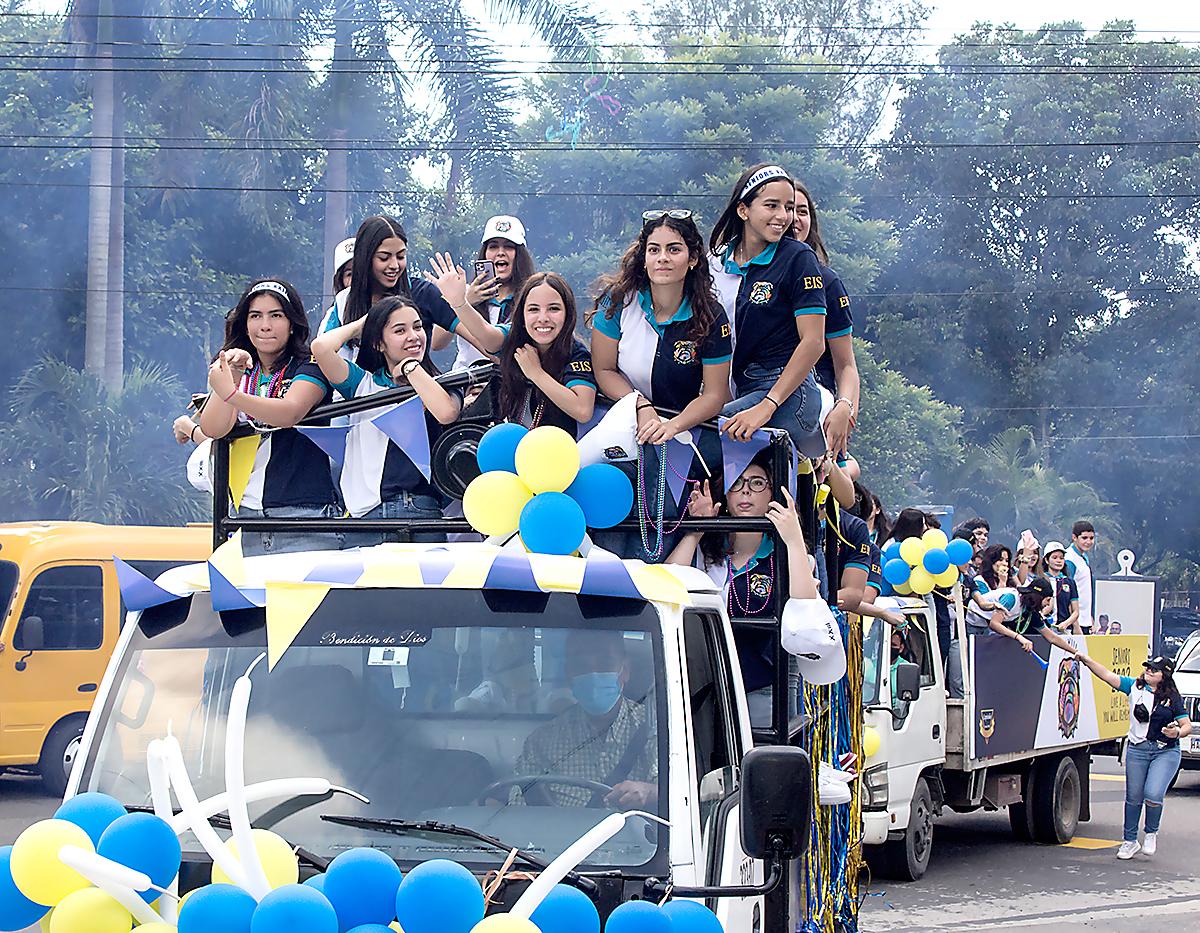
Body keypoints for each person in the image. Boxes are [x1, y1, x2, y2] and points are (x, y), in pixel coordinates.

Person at [666, 459, 821, 724]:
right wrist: (696, 530)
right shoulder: (707, 549)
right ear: (725, 494)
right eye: (736, 483)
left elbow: (806, 609)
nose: (746, 491)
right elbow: (667, 586)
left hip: (762, 686)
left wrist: (794, 539)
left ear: (773, 493)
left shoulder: (788, 554)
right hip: (700, 683)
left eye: (757, 483)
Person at [197, 279, 340, 555]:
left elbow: (290, 412)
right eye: (255, 316)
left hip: (304, 520)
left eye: (276, 315)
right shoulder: (237, 368)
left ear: (292, 322)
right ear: (244, 323)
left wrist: (232, 395)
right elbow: (214, 428)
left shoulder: (309, 363)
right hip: (247, 519)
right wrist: (233, 375)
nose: (265, 325)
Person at [311, 296, 463, 537]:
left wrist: (410, 367)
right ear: (378, 343)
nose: (413, 336)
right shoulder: (362, 384)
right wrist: (364, 323)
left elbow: (446, 412)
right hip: (367, 516)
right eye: (399, 330)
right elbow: (321, 348)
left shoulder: (443, 383)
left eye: (418, 326)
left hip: (421, 511)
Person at [708, 163, 828, 457]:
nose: (783, 217)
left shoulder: (798, 257)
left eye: (788, 207)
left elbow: (814, 342)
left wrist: (766, 406)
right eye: (771, 205)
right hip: (742, 388)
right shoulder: (717, 261)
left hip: (789, 394)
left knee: (704, 443)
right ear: (743, 210)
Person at [592, 209, 732, 443]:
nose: (663, 257)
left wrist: (672, 427)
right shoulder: (618, 301)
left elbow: (714, 395)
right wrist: (639, 405)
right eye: (654, 249)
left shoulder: (712, 316)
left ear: (693, 259)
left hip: (682, 433)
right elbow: (604, 370)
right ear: (644, 258)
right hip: (618, 423)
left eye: (674, 249)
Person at [425, 263, 597, 435]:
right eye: (533, 309)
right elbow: (486, 334)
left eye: (554, 309)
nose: (543, 318)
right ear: (521, 315)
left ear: (568, 313)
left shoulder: (576, 353)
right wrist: (459, 303)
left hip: (560, 447)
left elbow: (582, 410)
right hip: (513, 444)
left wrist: (535, 373)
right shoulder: (514, 339)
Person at [511, 629, 658, 809]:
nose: (593, 674)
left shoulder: (654, 728)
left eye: (605, 663)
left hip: (638, 837)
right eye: (581, 666)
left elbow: (680, 796)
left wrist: (648, 792)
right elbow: (517, 809)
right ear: (568, 675)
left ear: (625, 671)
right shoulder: (541, 742)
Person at [1075, 651, 1192, 859]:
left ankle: (1151, 833)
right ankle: (1129, 841)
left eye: (1154, 670)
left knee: (1153, 793)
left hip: (1164, 751)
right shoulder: (1134, 687)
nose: (1148, 671)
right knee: (1133, 797)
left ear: (1164, 675)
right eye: (1147, 667)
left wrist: (1176, 732)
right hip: (1138, 749)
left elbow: (1186, 726)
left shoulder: (1172, 697)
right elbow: (1107, 675)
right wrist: (1087, 661)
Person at [319, 215, 469, 364]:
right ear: (365, 258)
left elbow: (481, 339)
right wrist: (360, 326)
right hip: (368, 387)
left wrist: (461, 303)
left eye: (401, 256)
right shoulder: (344, 301)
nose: (394, 265)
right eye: (384, 258)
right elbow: (320, 353)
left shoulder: (423, 292)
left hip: (419, 386)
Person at [790, 181, 859, 460]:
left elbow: (846, 365)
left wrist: (845, 409)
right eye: (785, 208)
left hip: (817, 414)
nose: (794, 218)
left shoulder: (827, 282)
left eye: (802, 211)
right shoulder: (741, 278)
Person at [435, 215, 536, 372]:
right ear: (484, 253)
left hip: (512, 384)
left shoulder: (531, 300)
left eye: (509, 247)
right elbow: (437, 343)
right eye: (493, 246)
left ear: (520, 255)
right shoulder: (463, 293)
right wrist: (465, 301)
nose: (500, 253)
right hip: (466, 385)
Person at [1065, 520, 1096, 633]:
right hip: (1074, 623)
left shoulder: (1084, 558)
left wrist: (1090, 617)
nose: (1088, 541)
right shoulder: (1069, 559)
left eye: (1091, 538)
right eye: (1084, 538)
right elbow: (1067, 593)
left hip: (1085, 620)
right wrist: (1075, 624)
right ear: (1074, 537)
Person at [1043, 541, 1081, 633]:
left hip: (1065, 630)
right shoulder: (1041, 580)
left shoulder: (1069, 582)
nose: (1059, 561)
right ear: (1047, 560)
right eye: (1054, 558)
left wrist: (1066, 623)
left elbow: (1075, 611)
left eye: (1061, 558)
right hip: (1045, 629)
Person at [331, 236, 354, 300]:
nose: (356, 278)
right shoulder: (334, 310)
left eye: (361, 272)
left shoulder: (382, 309)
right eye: (349, 274)